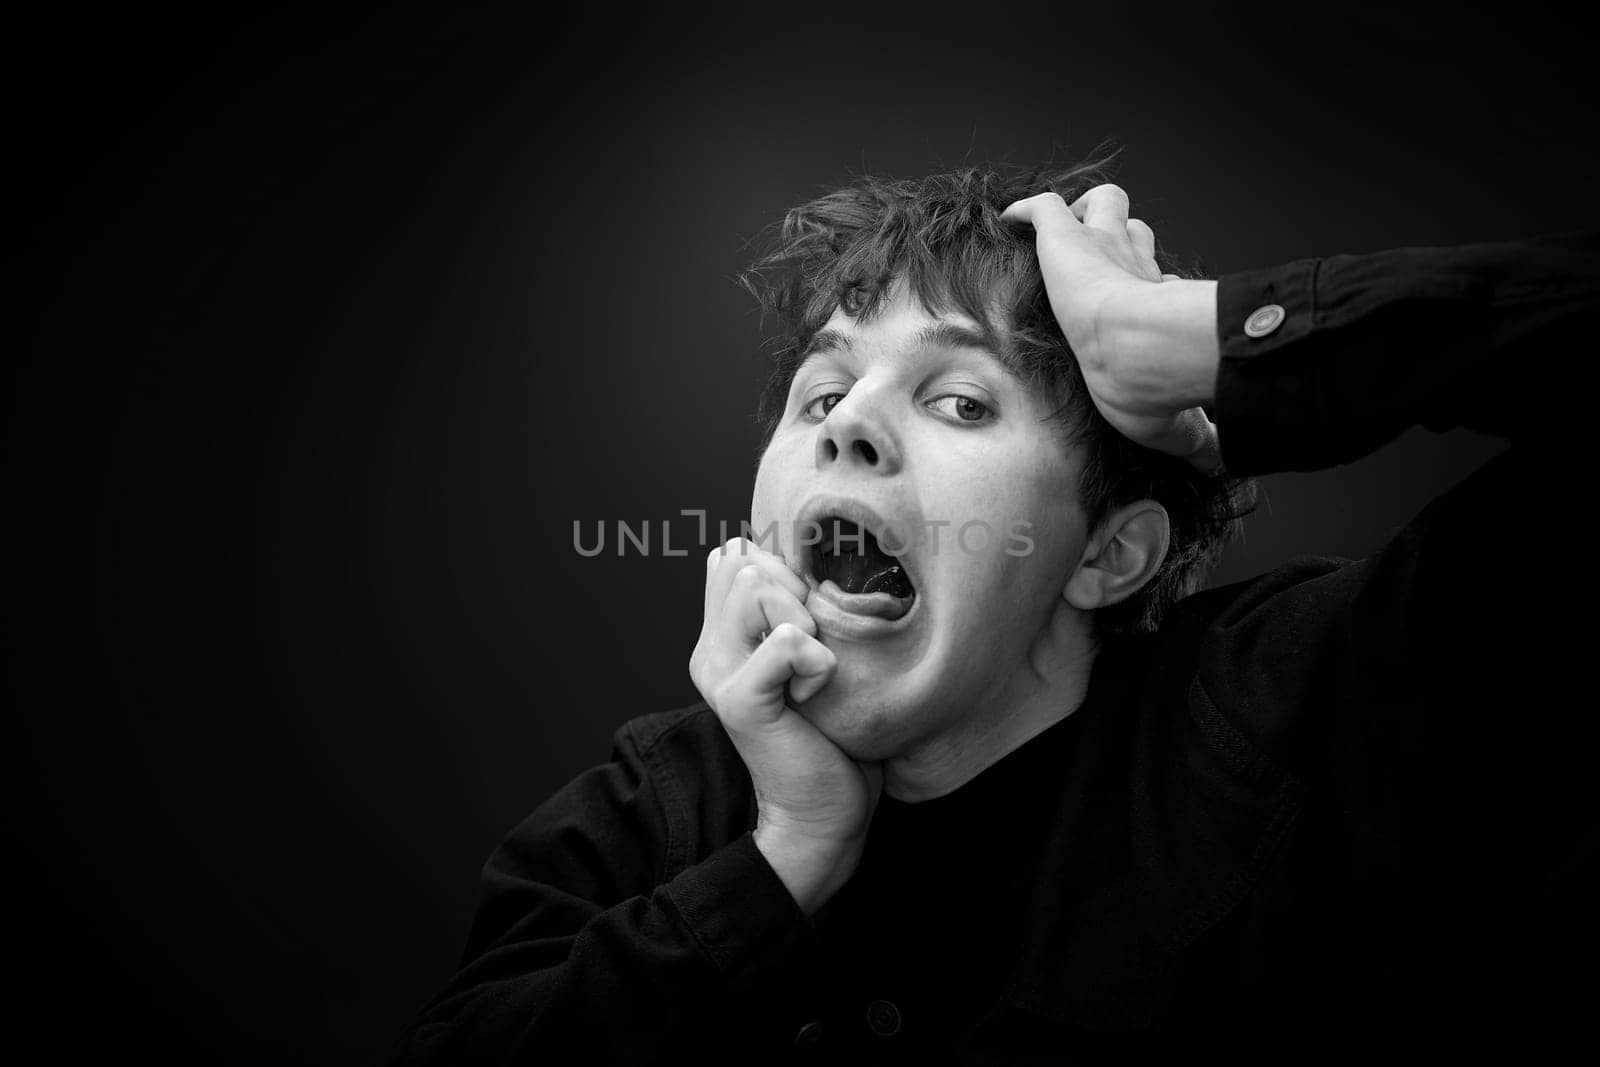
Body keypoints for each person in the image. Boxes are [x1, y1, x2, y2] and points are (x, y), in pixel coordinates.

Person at [387, 160, 1594, 1063]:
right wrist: (783, 860)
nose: (847, 418)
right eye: (821, 389)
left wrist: (1200, 341)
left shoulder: (1310, 714)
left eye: (960, 400)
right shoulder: (657, 813)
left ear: (1108, 557)